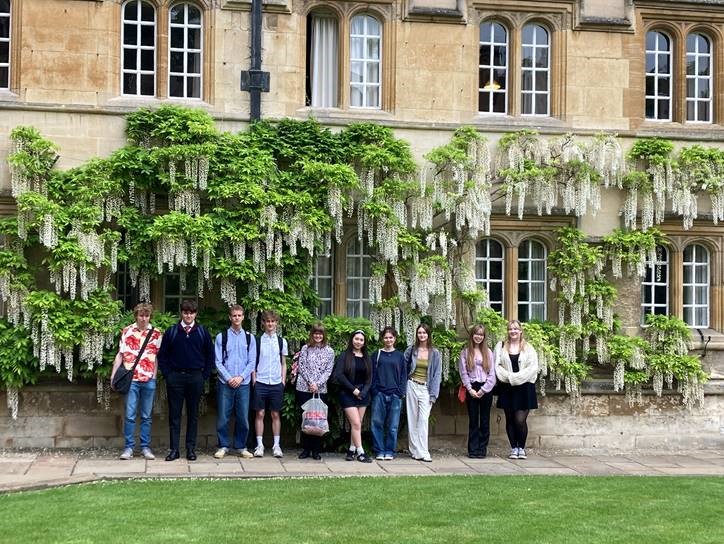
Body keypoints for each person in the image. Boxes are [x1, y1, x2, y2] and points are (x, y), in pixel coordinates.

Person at [157, 299, 214, 461]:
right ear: (181, 313)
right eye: (185, 312)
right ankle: (174, 449)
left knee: (193, 414)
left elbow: (210, 356)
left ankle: (191, 449)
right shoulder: (172, 331)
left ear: (195, 314)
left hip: (195, 377)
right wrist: (168, 374)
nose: (188, 316)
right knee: (174, 415)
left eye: (191, 313)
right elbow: (162, 356)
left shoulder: (202, 331)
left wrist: (204, 375)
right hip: (175, 377)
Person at [111, 303, 163, 461]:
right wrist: (113, 376)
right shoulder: (127, 331)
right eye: (141, 315)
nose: (144, 319)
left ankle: (145, 447)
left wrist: (153, 377)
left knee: (147, 415)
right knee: (130, 415)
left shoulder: (156, 333)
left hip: (148, 379)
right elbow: (120, 355)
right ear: (136, 316)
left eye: (146, 316)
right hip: (131, 379)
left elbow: (156, 358)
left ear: (150, 317)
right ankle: (128, 448)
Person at [214, 304, 257, 460]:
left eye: (239, 315)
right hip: (225, 382)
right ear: (230, 317)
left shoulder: (249, 337)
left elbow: (252, 361)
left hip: (243, 383)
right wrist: (229, 378)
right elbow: (218, 362)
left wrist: (240, 377)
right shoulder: (222, 337)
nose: (237, 318)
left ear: (243, 317)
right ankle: (223, 446)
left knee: (243, 417)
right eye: (234, 315)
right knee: (223, 416)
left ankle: (241, 446)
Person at [494, 319, 539, 460]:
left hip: (525, 388)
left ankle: (522, 448)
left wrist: (515, 378)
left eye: (515, 329)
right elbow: (497, 367)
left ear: (520, 331)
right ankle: (514, 448)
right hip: (507, 388)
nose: (513, 331)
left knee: (520, 420)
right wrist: (508, 377)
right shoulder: (500, 346)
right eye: (510, 329)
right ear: (508, 332)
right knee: (510, 419)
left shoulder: (529, 348)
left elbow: (532, 369)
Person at [295, 322, 335, 460]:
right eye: (315, 333)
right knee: (306, 418)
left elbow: (328, 370)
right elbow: (302, 366)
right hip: (304, 387)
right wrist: (310, 382)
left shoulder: (330, 351)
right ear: (312, 335)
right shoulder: (305, 348)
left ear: (324, 335)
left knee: (318, 419)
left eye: (320, 333)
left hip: (320, 390)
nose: (318, 336)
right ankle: (305, 449)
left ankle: (316, 450)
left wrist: (317, 384)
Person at [252, 310, 288, 458]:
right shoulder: (258, 340)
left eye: (273, 321)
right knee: (260, 413)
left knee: (275, 414)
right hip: (260, 381)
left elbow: (284, 363)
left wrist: (283, 380)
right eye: (267, 321)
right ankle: (259, 445)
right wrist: (254, 379)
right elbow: (253, 362)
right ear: (263, 323)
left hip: (276, 382)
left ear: (277, 323)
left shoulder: (281, 341)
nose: (270, 324)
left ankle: (276, 446)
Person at [334, 329, 373, 463]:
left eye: (361, 340)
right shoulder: (345, 356)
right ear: (352, 340)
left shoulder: (367, 357)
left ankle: (351, 449)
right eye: (356, 339)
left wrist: (363, 392)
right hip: (348, 393)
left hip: (363, 395)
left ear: (364, 342)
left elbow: (370, 378)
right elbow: (339, 375)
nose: (358, 342)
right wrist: (353, 390)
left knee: (357, 424)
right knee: (356, 423)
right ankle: (361, 452)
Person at [404, 323, 441, 463]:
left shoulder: (435, 353)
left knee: (423, 420)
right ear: (416, 334)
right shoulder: (411, 350)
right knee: (412, 419)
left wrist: (434, 394)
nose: (422, 335)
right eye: (419, 333)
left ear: (428, 335)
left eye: (424, 333)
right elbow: (403, 367)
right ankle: (414, 450)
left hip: (426, 388)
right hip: (412, 385)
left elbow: (437, 374)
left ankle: (424, 451)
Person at [459, 324, 496, 458]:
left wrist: (483, 390)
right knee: (473, 420)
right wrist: (470, 389)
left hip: (485, 388)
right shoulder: (465, 352)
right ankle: (473, 449)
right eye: (476, 334)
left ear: (484, 337)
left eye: (481, 335)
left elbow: (492, 375)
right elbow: (463, 374)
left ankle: (482, 449)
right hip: (472, 388)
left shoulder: (489, 353)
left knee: (485, 420)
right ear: (472, 335)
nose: (478, 337)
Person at [370, 327, 406, 461]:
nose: (388, 340)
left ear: (395, 339)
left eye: (391, 337)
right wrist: (375, 390)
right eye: (386, 337)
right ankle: (379, 450)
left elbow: (404, 375)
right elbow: (372, 374)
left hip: (395, 395)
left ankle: (390, 451)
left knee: (393, 426)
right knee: (376, 423)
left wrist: (400, 392)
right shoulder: (377, 354)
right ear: (382, 339)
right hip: (379, 393)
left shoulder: (400, 356)